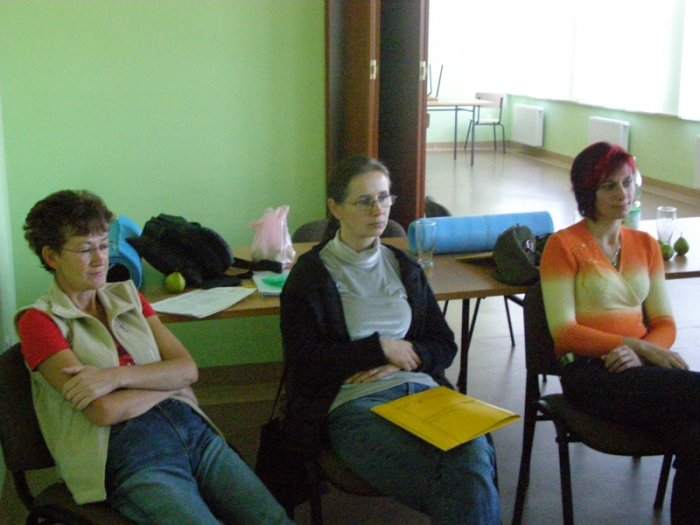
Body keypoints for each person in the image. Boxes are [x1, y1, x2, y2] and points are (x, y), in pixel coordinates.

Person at [16, 190, 293, 525]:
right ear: (51, 256)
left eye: (103, 245)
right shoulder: (39, 322)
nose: (100, 259)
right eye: (86, 249)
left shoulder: (129, 296)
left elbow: (187, 369)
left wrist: (114, 378)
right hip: (131, 455)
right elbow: (104, 411)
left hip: (193, 430)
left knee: (274, 519)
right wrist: (169, 385)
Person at [280, 156, 501, 524]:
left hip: (424, 395)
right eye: (364, 201)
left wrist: (405, 355)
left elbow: (443, 344)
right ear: (335, 208)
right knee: (465, 480)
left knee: (473, 452)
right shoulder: (310, 276)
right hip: (354, 404)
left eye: (384, 198)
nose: (378, 210)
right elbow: (305, 364)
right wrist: (379, 348)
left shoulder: (404, 266)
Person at [540, 142, 700, 525]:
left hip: (642, 369)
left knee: (696, 436)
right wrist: (632, 346)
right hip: (589, 372)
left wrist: (642, 351)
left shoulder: (646, 245)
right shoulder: (562, 246)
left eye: (627, 183)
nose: (622, 194)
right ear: (588, 192)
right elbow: (564, 333)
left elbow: (665, 323)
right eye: (609, 186)